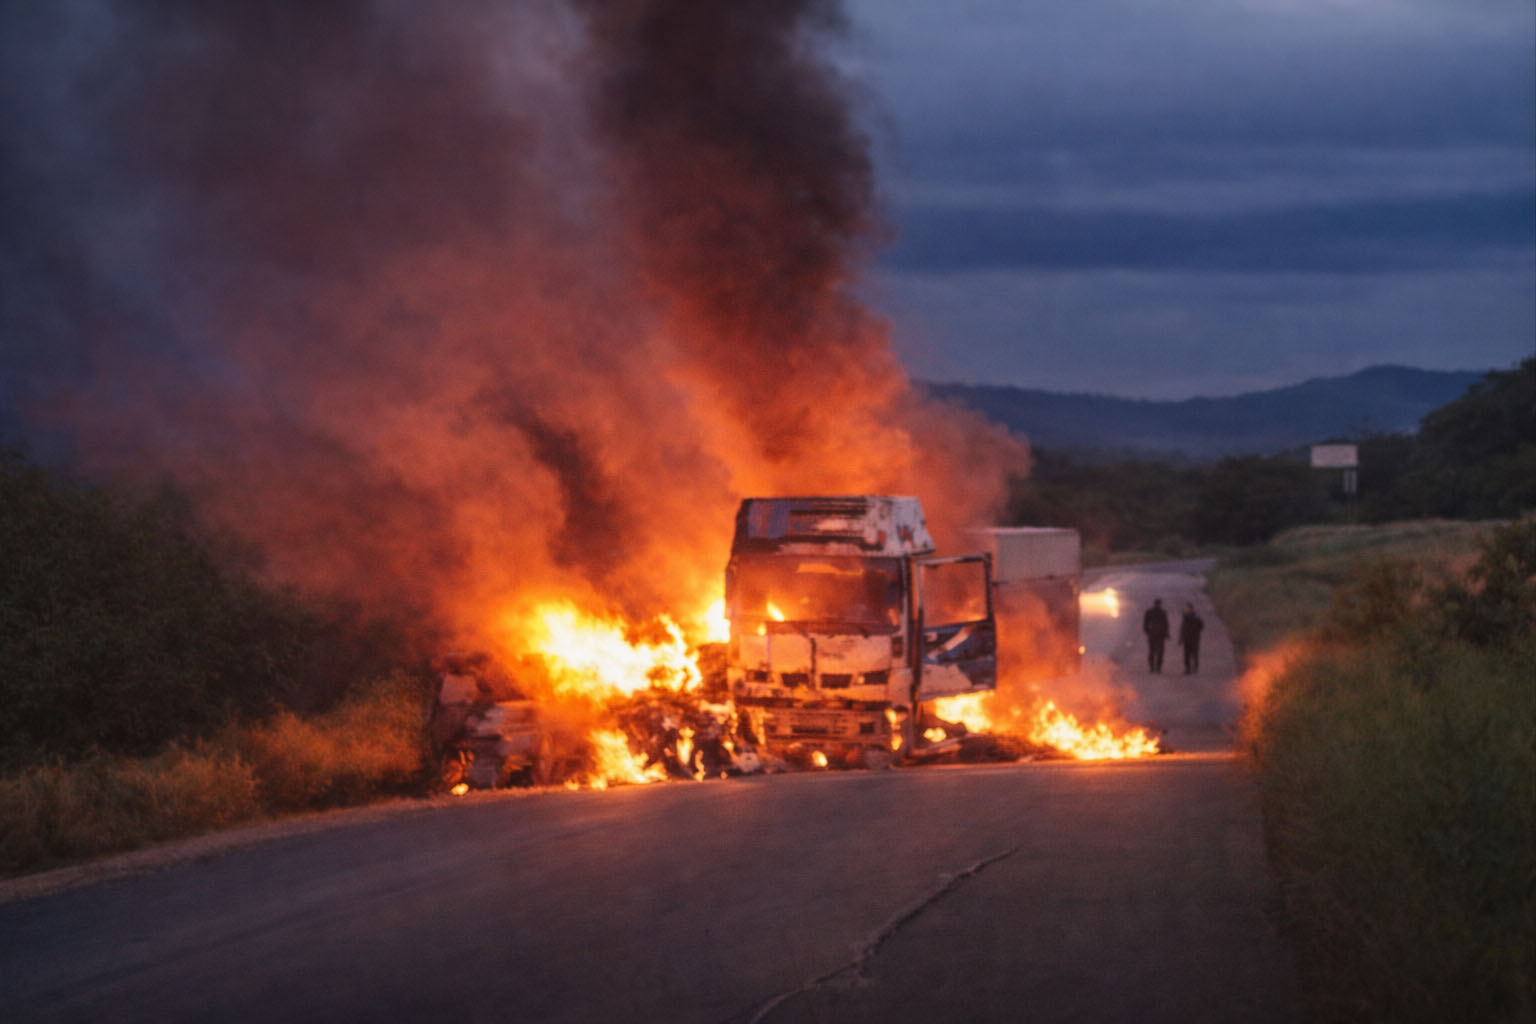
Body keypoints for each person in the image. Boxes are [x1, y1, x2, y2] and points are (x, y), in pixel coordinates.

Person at [1142, 598, 1170, 673]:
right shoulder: (1153, 612)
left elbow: (1165, 624)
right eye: (1157, 604)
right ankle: (1155, 667)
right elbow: (1146, 623)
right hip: (1155, 635)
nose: (1157, 605)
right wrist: (1147, 631)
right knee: (1155, 652)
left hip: (1157, 635)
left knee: (1155, 652)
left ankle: (1155, 667)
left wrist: (1147, 631)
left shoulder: (1160, 612)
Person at [1179, 602, 1204, 674]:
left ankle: (1195, 668)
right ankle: (1187, 669)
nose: (1185, 609)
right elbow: (1183, 628)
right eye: (1185, 608)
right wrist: (1181, 638)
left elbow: (1201, 626)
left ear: (1190, 609)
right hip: (1187, 638)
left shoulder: (1195, 617)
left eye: (1186, 608)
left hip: (1194, 638)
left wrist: (1195, 632)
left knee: (1194, 654)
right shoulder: (1185, 617)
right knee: (1186, 654)